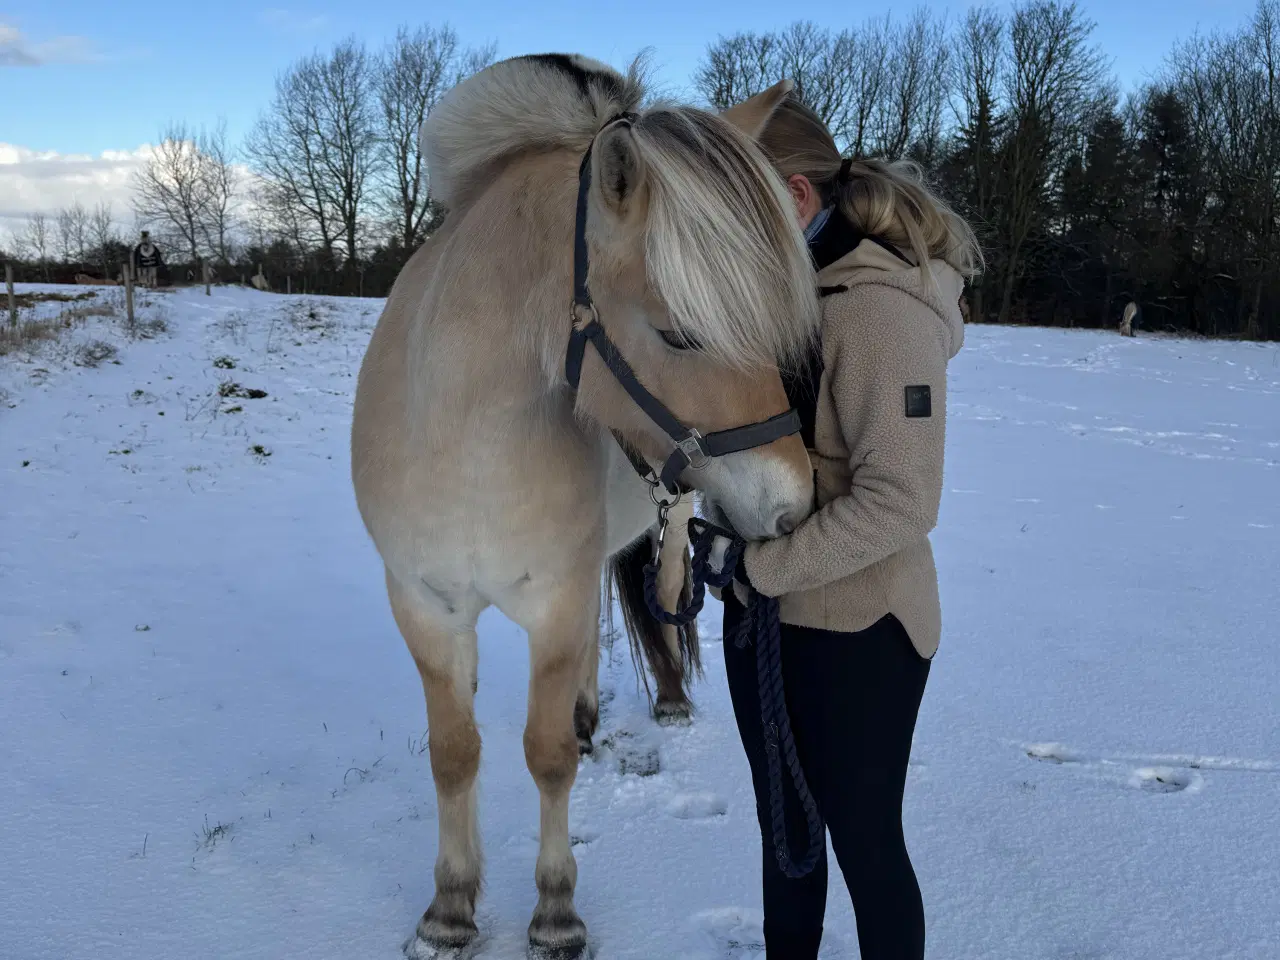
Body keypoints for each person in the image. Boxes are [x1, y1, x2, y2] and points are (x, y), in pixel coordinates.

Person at [716, 96, 982, 959]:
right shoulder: (777, 298)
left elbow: (901, 501)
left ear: (794, 198)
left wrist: (757, 569)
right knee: (784, 839)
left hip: (860, 630)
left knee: (864, 844)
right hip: (765, 624)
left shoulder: (878, 314)